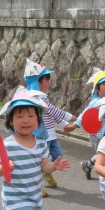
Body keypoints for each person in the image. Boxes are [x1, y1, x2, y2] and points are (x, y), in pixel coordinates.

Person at [23, 59, 77, 195]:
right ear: (39, 82)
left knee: (58, 155)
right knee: (39, 161)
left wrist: (64, 124)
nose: (49, 83)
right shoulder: (34, 97)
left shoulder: (42, 96)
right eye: (47, 80)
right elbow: (51, 110)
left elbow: (50, 114)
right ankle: (35, 187)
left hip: (50, 135)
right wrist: (69, 117)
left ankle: (46, 172)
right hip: (40, 136)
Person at [77, 68, 105, 180]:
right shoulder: (95, 102)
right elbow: (85, 115)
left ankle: (88, 164)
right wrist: (75, 125)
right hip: (97, 136)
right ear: (97, 88)